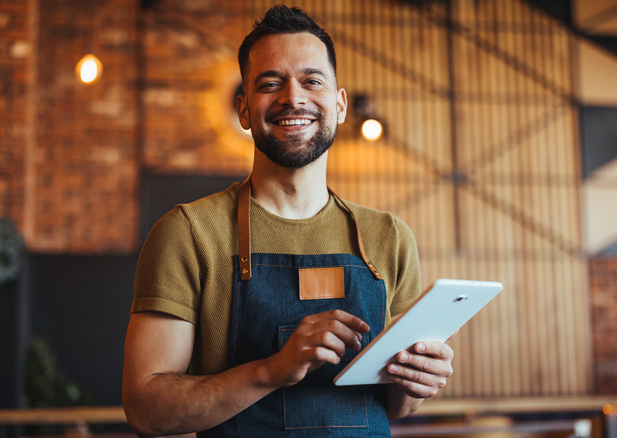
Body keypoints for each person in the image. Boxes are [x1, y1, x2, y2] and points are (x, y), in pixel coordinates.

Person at [122, 5, 454, 437]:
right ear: (244, 110)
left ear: (339, 105)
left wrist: (420, 380)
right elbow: (146, 409)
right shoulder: (188, 233)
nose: (293, 98)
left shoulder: (388, 238)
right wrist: (272, 369)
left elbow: (397, 406)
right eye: (270, 83)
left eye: (312, 80)